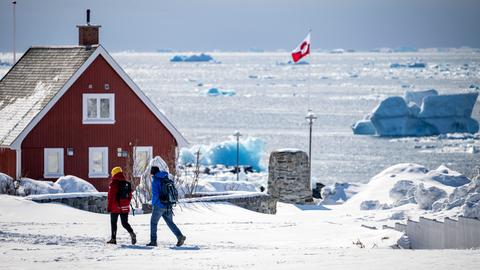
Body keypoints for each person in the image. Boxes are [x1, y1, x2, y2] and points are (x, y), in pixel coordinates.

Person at [147, 162, 186, 247]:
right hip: (168, 204)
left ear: (152, 173)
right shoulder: (166, 178)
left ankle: (153, 242)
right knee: (170, 223)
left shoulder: (156, 181)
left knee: (153, 223)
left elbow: (155, 195)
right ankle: (180, 236)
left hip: (159, 206)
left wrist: (153, 204)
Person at [107, 166, 136, 245]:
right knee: (124, 223)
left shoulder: (113, 183)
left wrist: (109, 207)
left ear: (114, 173)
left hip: (115, 207)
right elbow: (130, 196)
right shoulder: (127, 183)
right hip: (125, 206)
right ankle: (132, 233)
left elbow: (111, 197)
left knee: (113, 223)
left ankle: (113, 239)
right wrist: (125, 203)